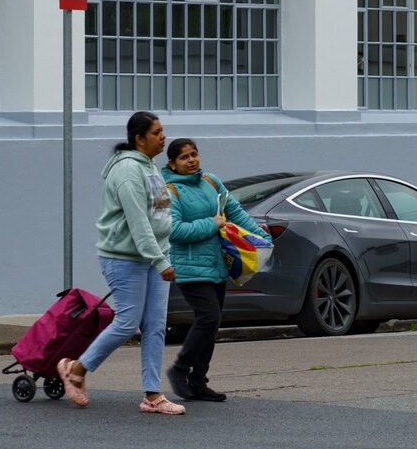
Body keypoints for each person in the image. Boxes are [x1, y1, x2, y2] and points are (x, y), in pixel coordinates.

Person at [57, 112, 185, 415]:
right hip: (125, 258)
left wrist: (162, 255)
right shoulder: (128, 171)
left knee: (155, 326)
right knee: (127, 322)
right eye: (156, 132)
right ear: (139, 139)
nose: (163, 137)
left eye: (163, 130)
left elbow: (159, 213)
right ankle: (76, 369)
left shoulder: (150, 166)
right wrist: (159, 260)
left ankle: (152, 395)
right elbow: (138, 223)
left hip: (153, 257)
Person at [164, 138, 269, 402]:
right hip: (190, 269)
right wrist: (211, 223)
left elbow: (234, 211)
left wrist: (260, 237)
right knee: (208, 318)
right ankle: (179, 368)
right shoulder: (170, 191)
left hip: (217, 265)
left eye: (194, 154)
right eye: (184, 157)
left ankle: (198, 382)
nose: (192, 160)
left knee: (212, 325)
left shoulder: (211, 181)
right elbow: (174, 231)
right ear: (172, 164)